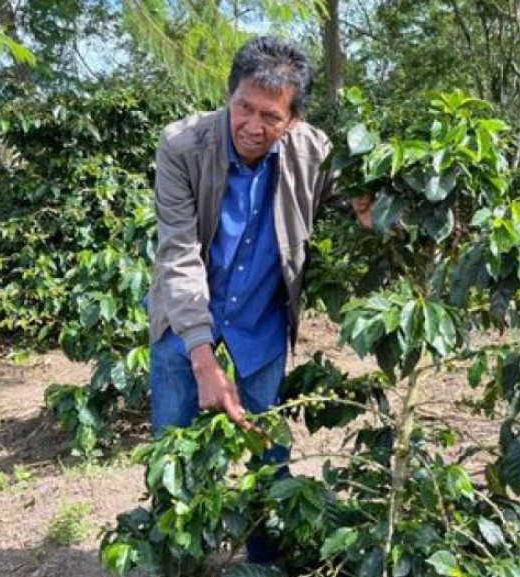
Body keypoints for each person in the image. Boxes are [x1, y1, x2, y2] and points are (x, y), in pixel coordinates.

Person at [144, 35, 370, 562]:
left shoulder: (312, 150)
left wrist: (372, 210)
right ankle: (177, 560)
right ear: (229, 95)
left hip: (261, 319)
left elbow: (349, 193)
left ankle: (267, 560)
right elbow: (177, 254)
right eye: (243, 107)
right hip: (186, 316)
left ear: (292, 119)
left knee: (268, 448)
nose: (252, 125)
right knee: (174, 449)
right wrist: (202, 358)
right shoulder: (182, 146)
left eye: (270, 116)